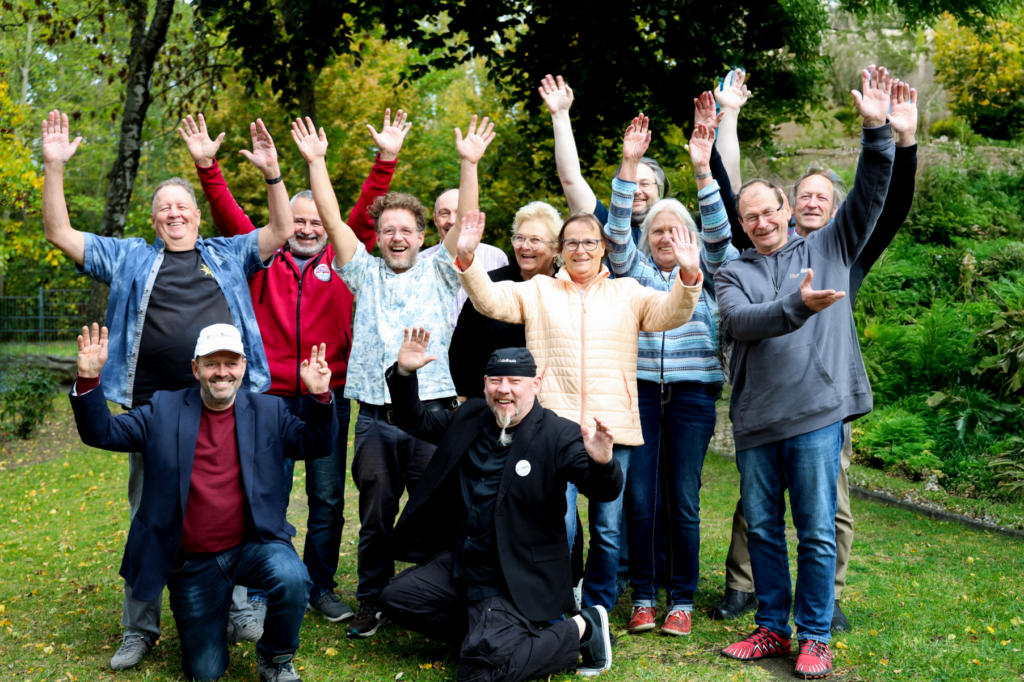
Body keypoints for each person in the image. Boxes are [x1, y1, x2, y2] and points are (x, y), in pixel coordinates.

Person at [40, 110, 292, 670]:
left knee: (237, 504)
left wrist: (273, 175)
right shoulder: (130, 257)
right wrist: (54, 167)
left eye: (182, 206)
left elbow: (278, 232)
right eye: (164, 208)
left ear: (197, 215)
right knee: (150, 517)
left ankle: (238, 608)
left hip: (227, 403)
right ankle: (140, 628)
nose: (174, 213)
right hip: (155, 412)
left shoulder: (227, 254)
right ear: (154, 220)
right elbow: (60, 233)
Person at [179, 108, 411, 624]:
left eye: (315, 222)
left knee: (326, 497)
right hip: (269, 397)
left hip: (327, 394)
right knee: (268, 495)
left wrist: (386, 159)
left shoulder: (345, 259)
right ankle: (267, 585)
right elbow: (227, 215)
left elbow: (364, 210)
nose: (307, 229)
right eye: (298, 221)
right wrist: (208, 168)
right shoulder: (260, 257)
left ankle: (320, 585)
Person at [709, 79, 920, 633]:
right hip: (757, 420)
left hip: (817, 415)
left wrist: (877, 131)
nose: (761, 222)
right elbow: (739, 322)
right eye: (750, 217)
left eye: (769, 211)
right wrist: (796, 306)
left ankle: (816, 630)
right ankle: (770, 625)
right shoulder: (732, 272)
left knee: (819, 528)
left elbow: (875, 193)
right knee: (761, 529)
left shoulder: (833, 246)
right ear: (742, 223)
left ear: (785, 209)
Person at [453, 175, 705, 616]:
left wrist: (687, 275)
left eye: (589, 242)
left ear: (603, 247)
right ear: (560, 250)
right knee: (560, 526)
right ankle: (555, 605)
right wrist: (469, 260)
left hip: (611, 430)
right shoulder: (538, 290)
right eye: (572, 243)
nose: (581, 250)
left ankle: (598, 609)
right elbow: (490, 301)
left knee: (608, 529)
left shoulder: (627, 292)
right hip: (554, 430)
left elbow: (671, 314)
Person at [291, 113, 493, 637]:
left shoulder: (441, 269)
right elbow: (332, 220)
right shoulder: (362, 272)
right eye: (388, 230)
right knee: (376, 515)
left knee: (439, 514)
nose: (397, 237)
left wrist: (468, 163)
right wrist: (316, 163)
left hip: (433, 418)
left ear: (423, 236)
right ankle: (373, 600)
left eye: (406, 230)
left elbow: (466, 219)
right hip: (377, 421)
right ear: (377, 237)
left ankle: (437, 597)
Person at [68, 323, 337, 682]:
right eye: (212, 364)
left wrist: (319, 396)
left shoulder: (268, 411)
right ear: (196, 368)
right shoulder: (164, 409)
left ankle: (275, 659)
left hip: (252, 546)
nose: (222, 372)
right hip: (194, 563)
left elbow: (316, 444)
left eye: (230, 363)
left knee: (292, 577)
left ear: (243, 366)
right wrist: (88, 379)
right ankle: (213, 621)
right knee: (205, 671)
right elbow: (103, 432)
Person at [379, 332, 624, 680]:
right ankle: (489, 639)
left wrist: (602, 463)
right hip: (465, 565)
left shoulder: (558, 434)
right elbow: (416, 420)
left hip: (516, 577)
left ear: (536, 385)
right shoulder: (471, 415)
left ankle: (582, 629)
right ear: (485, 384)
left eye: (514, 381)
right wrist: (404, 373)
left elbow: (602, 490)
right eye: (496, 380)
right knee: (396, 597)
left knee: (479, 676)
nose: (504, 389)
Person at [605, 116, 737, 637]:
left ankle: (681, 599)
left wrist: (704, 172)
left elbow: (721, 236)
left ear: (690, 236)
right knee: (639, 500)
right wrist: (629, 165)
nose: (666, 237)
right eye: (658, 230)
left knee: (682, 500)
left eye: (676, 230)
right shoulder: (635, 274)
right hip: (639, 393)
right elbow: (616, 236)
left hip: (691, 397)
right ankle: (643, 596)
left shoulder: (710, 274)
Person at [447, 200, 561, 399]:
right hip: (488, 403)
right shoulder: (490, 283)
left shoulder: (567, 288)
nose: (525, 246)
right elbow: (462, 349)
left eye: (535, 240)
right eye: (520, 238)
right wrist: (463, 403)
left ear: (556, 248)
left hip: (550, 404)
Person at [419, 187, 508, 330]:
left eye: (459, 213)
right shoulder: (419, 261)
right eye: (444, 213)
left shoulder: (497, 258)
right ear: (435, 220)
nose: (452, 220)